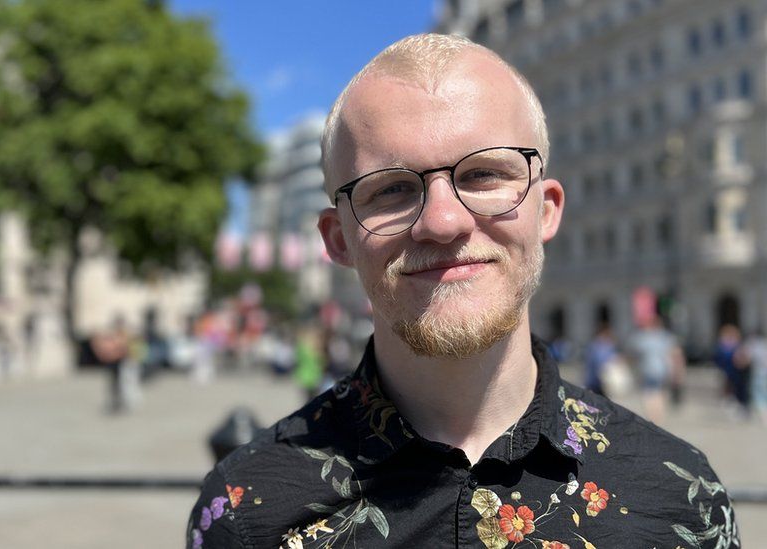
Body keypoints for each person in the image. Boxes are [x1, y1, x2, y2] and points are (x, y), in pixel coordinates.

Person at [187, 34, 738, 548]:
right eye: (393, 189)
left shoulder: (682, 501)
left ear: (544, 210)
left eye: (482, 175)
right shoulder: (244, 511)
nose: (444, 221)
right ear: (339, 239)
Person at [627, 316, 683, 424]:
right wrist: (678, 371)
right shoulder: (666, 337)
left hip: (647, 370)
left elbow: (631, 353)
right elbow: (676, 354)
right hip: (663, 371)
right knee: (659, 393)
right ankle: (658, 417)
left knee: (649, 394)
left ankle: (652, 417)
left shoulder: (641, 337)